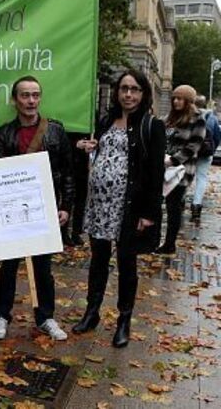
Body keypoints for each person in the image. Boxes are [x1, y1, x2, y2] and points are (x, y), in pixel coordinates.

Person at [71, 69, 165, 348]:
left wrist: (149, 213)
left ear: (143, 93)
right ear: (117, 92)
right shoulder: (105, 120)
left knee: (126, 263)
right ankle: (92, 312)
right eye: (124, 88)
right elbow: (99, 153)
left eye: (134, 89)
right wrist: (86, 147)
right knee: (98, 260)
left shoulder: (151, 126)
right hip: (99, 204)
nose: (128, 94)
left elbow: (156, 173)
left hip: (128, 208)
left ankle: (124, 320)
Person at [0, 76, 74, 342]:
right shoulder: (4, 134)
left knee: (43, 267)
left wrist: (66, 206)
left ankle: (46, 317)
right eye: (25, 95)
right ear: (15, 100)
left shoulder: (55, 131)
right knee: (9, 265)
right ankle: (2, 316)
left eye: (35, 95)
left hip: (44, 208)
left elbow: (67, 172)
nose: (31, 101)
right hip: (12, 209)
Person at [155, 85, 206, 255]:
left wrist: (174, 160)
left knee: (173, 206)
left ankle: (169, 244)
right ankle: (154, 239)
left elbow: (194, 145)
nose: (176, 101)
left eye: (180, 98)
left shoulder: (197, 119)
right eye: (174, 98)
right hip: (162, 167)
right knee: (156, 204)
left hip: (181, 171)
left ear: (188, 101)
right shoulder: (169, 118)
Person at [190, 94, 221, 223]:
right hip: (205, 153)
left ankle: (180, 201)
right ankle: (196, 206)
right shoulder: (212, 117)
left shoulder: (189, 115)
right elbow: (217, 136)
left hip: (190, 151)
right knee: (201, 178)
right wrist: (211, 150)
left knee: (185, 175)